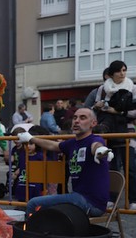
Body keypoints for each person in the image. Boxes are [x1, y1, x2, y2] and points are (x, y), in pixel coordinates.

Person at [19, 108, 113, 217]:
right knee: (44, 208)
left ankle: (30, 232)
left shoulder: (94, 140)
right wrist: (31, 138)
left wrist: (100, 151)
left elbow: (96, 145)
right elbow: (52, 145)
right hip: (78, 198)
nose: (76, 121)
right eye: (75, 117)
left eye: (83, 118)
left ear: (93, 123)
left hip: (91, 203)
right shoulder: (73, 143)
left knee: (33, 204)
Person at [92, 60, 136, 208]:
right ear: (111, 74)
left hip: (127, 132)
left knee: (130, 167)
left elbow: (134, 111)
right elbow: (95, 108)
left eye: (124, 70)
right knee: (111, 168)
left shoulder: (132, 87)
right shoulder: (102, 89)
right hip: (109, 132)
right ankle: (111, 198)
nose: (122, 73)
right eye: (119, 71)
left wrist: (117, 111)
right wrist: (98, 106)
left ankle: (133, 200)